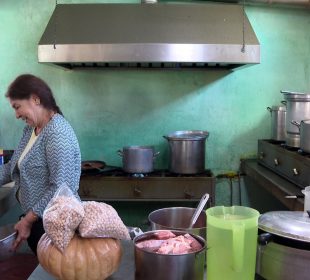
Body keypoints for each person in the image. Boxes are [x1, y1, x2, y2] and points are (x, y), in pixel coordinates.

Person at [0, 74, 81, 254]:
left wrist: (27, 220)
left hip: (54, 224)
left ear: (35, 99)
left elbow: (60, 188)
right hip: (38, 221)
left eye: (17, 107)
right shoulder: (31, 128)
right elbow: (13, 165)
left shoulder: (57, 134)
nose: (16, 115)